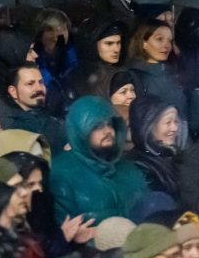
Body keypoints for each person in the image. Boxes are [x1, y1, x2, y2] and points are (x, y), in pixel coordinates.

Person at [50, 95, 148, 223]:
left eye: (110, 124)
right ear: (80, 131)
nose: (108, 131)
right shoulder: (61, 173)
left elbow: (148, 210)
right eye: (97, 126)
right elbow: (66, 228)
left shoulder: (129, 169)